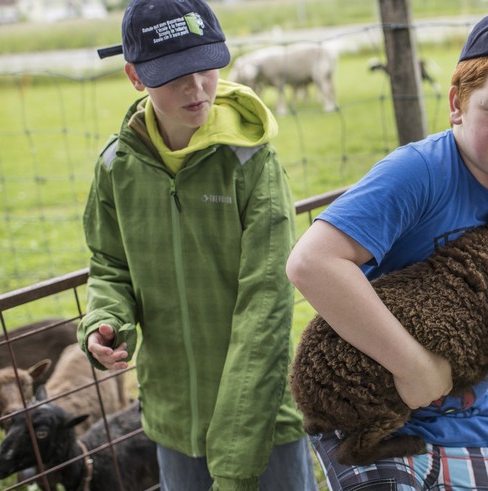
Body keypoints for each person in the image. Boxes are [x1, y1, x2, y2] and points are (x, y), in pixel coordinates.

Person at [286, 10, 488, 491]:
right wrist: (412, 366)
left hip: (468, 425)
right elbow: (312, 261)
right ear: (457, 104)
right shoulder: (419, 173)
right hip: (370, 410)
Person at [78, 1, 318, 490]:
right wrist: (107, 319)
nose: (197, 87)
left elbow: (266, 304)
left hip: (262, 422)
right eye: (172, 75)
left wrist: (235, 454)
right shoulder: (114, 167)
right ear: (135, 76)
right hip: (173, 421)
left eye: (207, 66)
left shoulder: (251, 162)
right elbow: (109, 263)